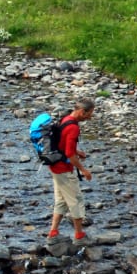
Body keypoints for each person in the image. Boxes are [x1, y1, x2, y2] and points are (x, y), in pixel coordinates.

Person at [47, 97, 95, 243]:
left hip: (54, 166)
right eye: (89, 113)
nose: (90, 116)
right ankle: (79, 236)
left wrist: (77, 151)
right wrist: (83, 170)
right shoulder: (73, 127)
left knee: (61, 200)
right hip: (64, 169)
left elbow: (63, 143)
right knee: (76, 200)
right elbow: (69, 154)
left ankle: (53, 233)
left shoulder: (65, 118)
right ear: (82, 111)